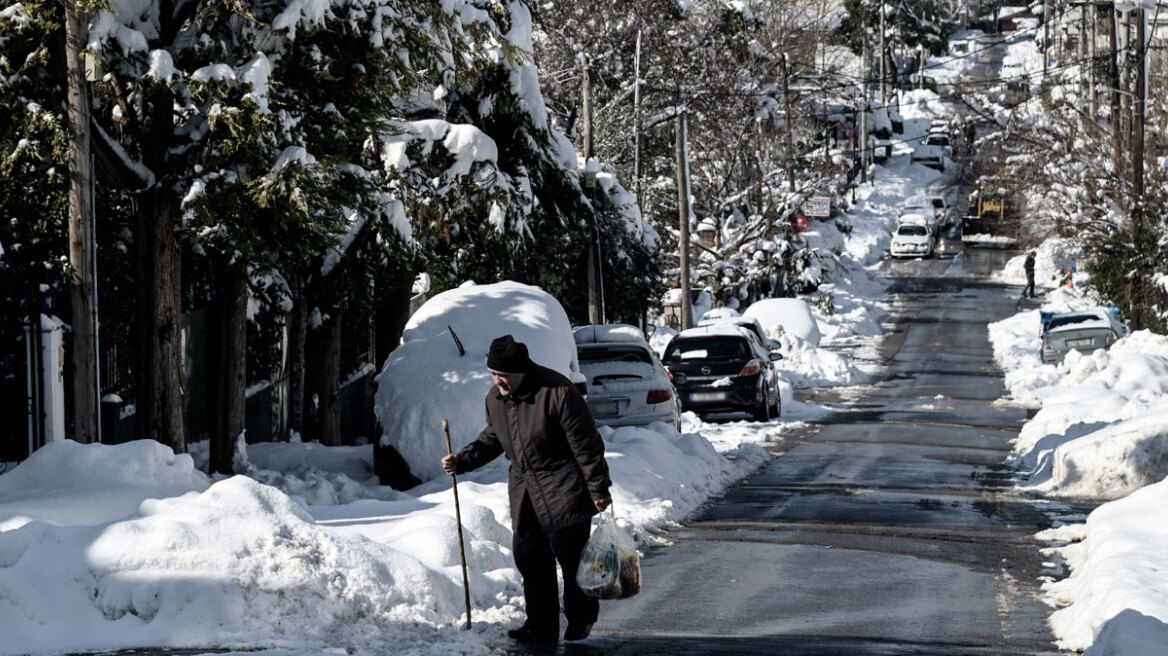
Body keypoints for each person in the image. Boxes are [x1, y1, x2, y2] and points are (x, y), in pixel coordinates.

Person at [442, 335, 612, 644]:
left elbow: (586, 444)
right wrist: (462, 460)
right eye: (493, 374)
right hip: (525, 489)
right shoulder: (495, 398)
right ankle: (541, 626)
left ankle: (581, 616)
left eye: (503, 375)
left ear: (522, 371)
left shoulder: (557, 392)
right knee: (529, 558)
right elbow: (493, 437)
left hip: (564, 486)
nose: (497, 381)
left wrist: (598, 488)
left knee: (572, 560)